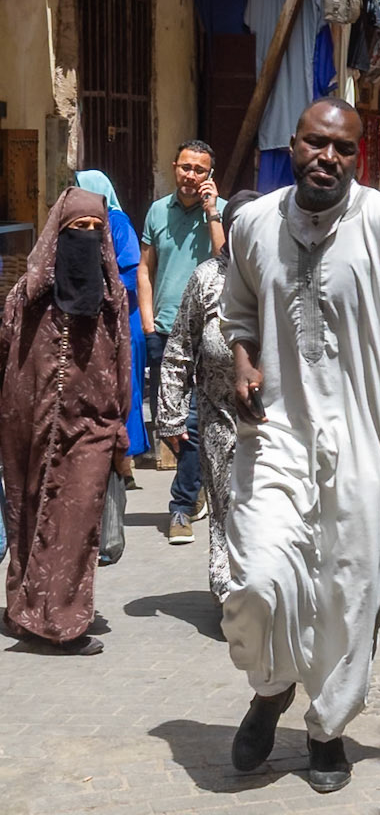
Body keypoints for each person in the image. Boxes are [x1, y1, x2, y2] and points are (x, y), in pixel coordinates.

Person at [222, 100, 380, 792]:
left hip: (368, 439)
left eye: (343, 149)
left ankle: (327, 732)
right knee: (258, 578)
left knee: (350, 591)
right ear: (292, 145)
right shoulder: (254, 223)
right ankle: (272, 689)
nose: (328, 157)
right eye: (315, 143)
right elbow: (238, 309)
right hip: (278, 433)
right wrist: (243, 360)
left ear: (361, 157)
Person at [0, 190, 132, 654]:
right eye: (78, 230)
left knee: (75, 521)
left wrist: (120, 426)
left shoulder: (113, 296)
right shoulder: (28, 296)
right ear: (59, 233)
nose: (88, 239)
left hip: (90, 425)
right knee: (29, 517)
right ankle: (25, 610)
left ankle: (61, 623)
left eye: (97, 231)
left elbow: (122, 362)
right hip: (27, 423)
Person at [154, 190, 260, 603]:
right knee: (227, 508)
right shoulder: (206, 278)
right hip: (219, 417)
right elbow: (179, 349)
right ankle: (230, 595)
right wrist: (171, 415)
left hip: (276, 420)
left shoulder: (279, 278)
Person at [142, 140, 226, 546]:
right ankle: (196, 487)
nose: (191, 176)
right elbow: (146, 267)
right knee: (169, 420)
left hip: (206, 332)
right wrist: (146, 323)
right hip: (162, 330)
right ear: (175, 166)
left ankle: (181, 505)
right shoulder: (158, 210)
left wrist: (213, 212)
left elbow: (224, 257)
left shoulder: (222, 211)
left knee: (191, 421)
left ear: (210, 174)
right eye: (186, 167)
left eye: (200, 170)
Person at [75, 171, 149, 468]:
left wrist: (97, 286)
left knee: (124, 387)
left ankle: (124, 459)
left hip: (122, 319)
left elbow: (131, 273)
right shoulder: (85, 224)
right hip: (99, 317)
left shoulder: (117, 223)